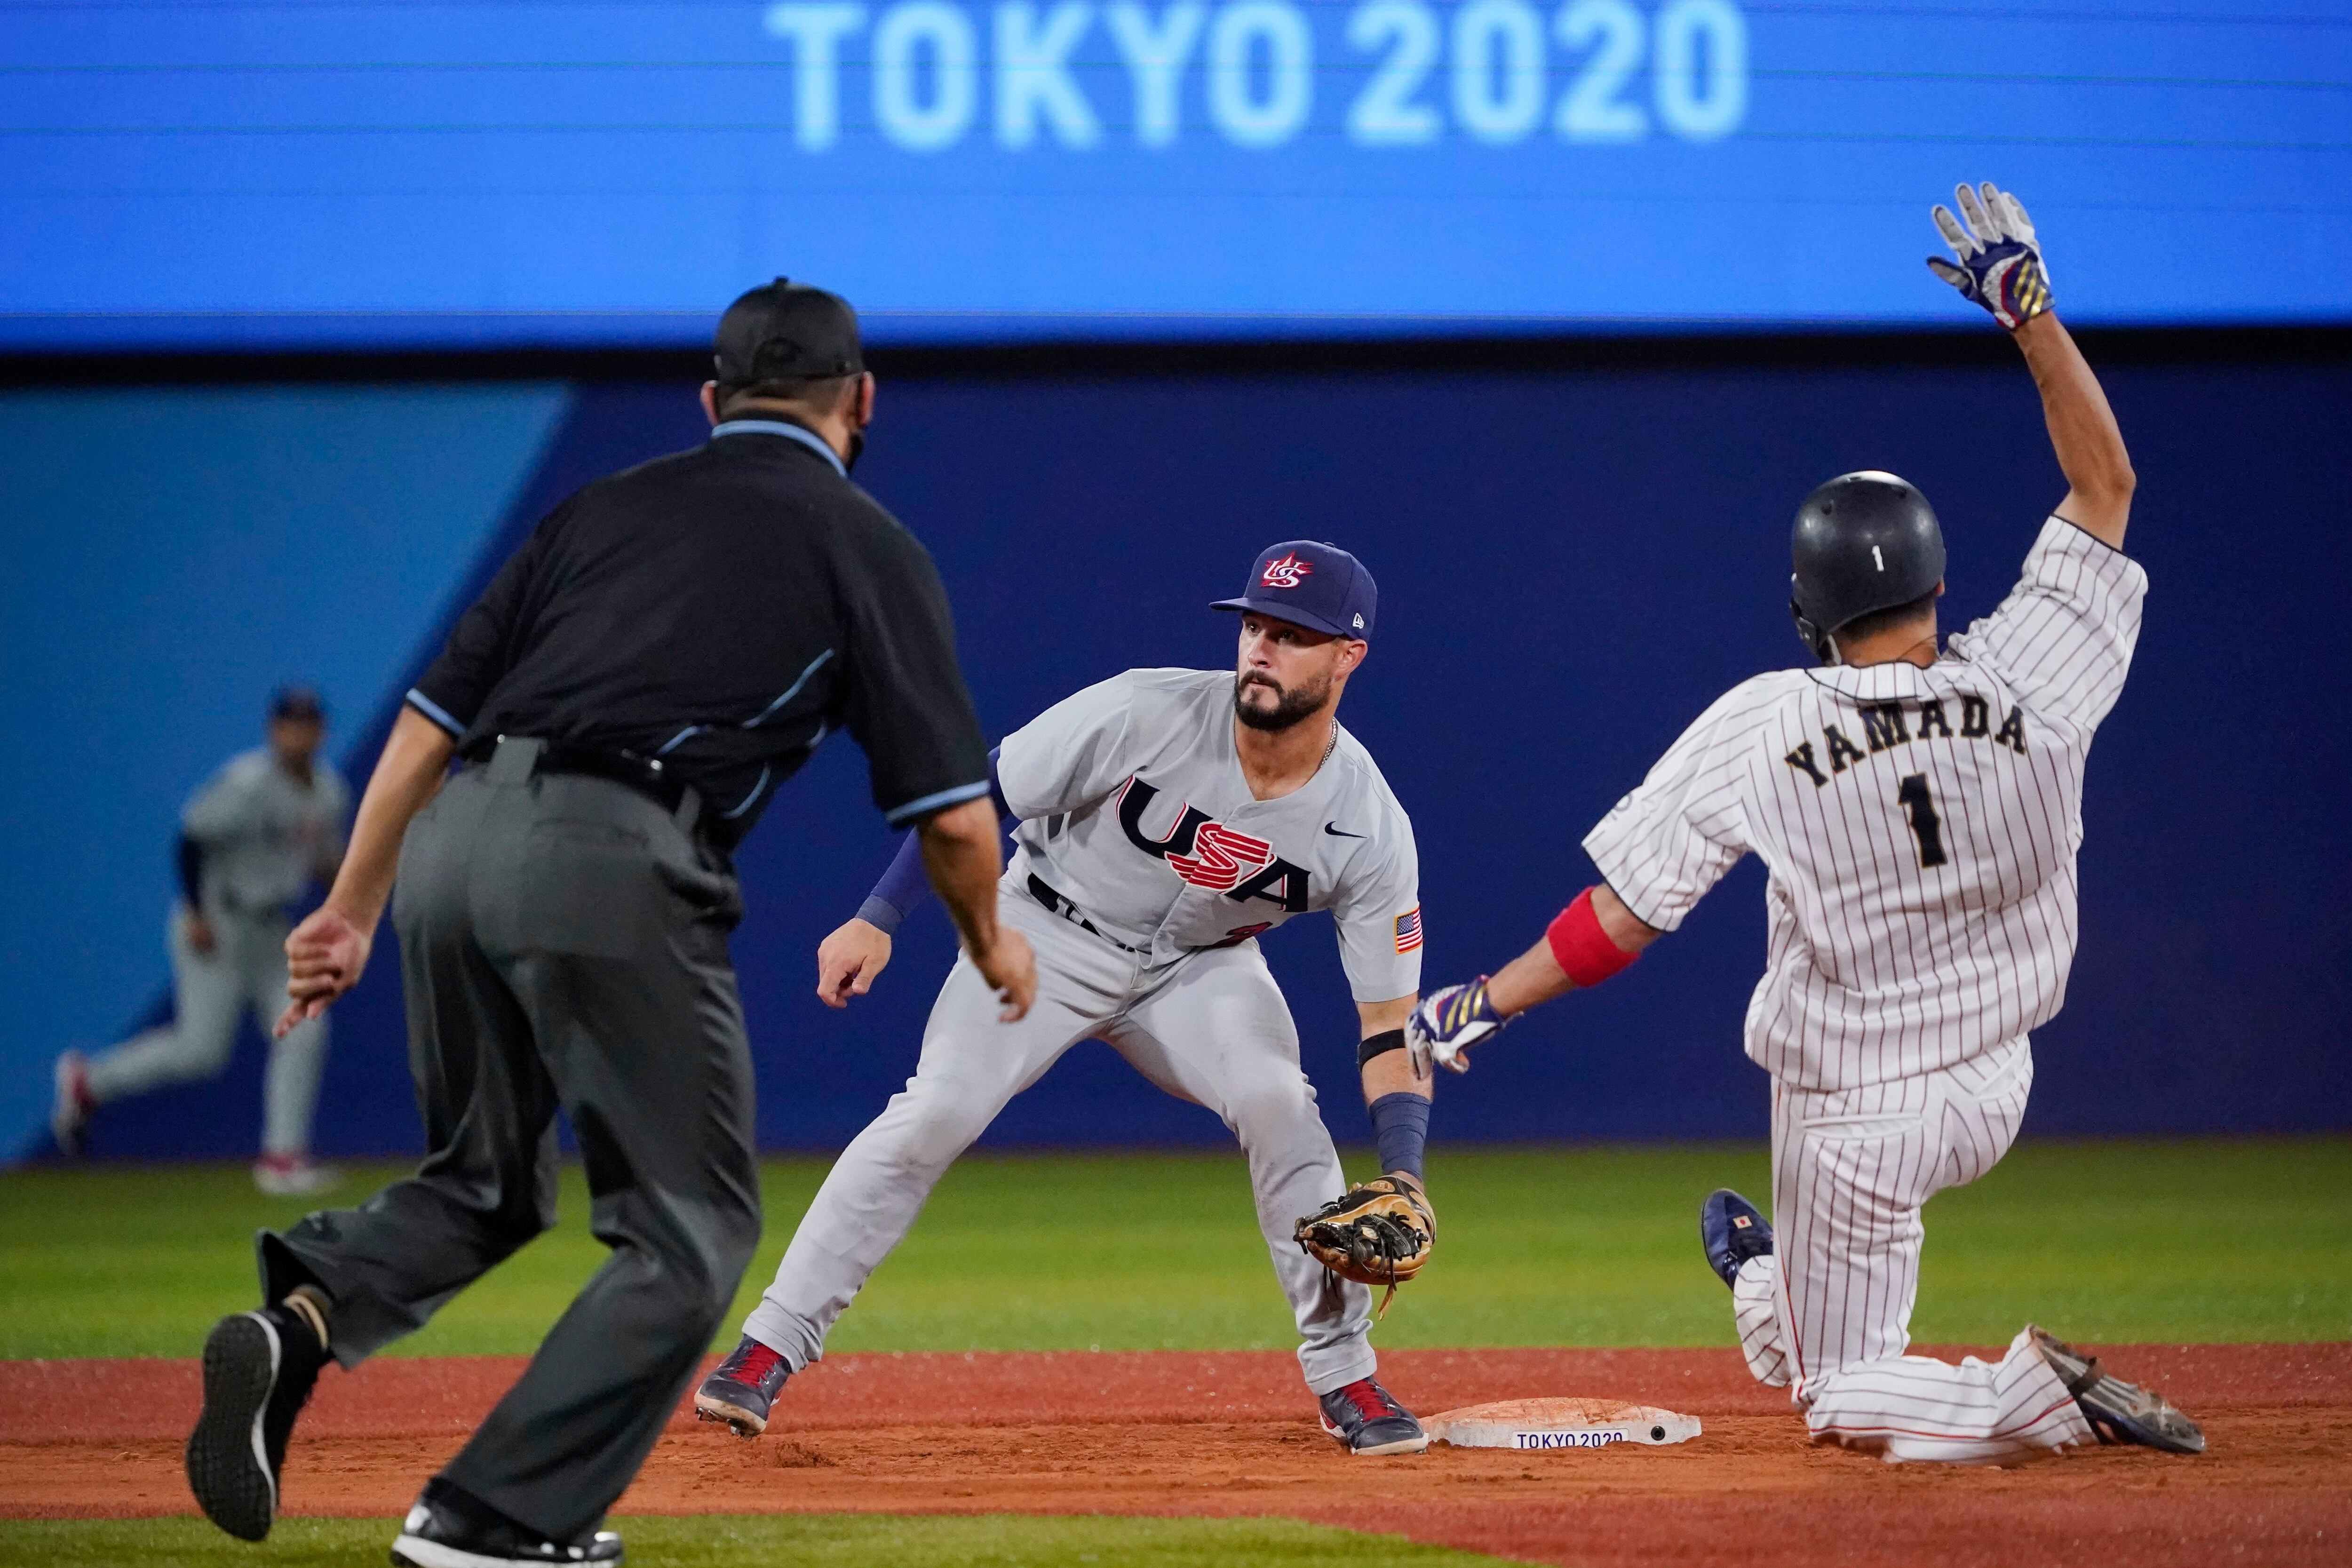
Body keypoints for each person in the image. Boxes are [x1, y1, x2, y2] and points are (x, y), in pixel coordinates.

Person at [179, 279, 1037, 1566]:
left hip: (454, 840)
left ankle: (300, 1322)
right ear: (863, 400)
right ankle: (490, 1518)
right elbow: (960, 822)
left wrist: (351, 909)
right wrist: (990, 943)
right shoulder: (866, 544)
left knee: (482, 1182)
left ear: (711, 400)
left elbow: (424, 727)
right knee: (691, 1231)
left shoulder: (597, 510)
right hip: (616, 852)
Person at [1405, 184, 2205, 1463]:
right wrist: (2031, 316)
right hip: (1998, 1081)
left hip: (1854, 1114)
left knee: (1844, 1398)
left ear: (1806, 606)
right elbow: (2105, 479)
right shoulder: (2029, 677)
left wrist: (1488, 1000)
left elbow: (1626, 916)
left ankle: (2033, 1396)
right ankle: (1762, 1275)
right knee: (1800, 1342)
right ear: (1940, 581)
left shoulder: (1768, 718)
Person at [694, 540, 1439, 1457]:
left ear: (1347, 655)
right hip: (1043, 928)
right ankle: (768, 1347)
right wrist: (880, 912)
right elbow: (981, 789)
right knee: (939, 1108)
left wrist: (1404, 1171)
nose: (1260, 648)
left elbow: (1384, 1025)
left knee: (1282, 1103)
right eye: (1254, 625)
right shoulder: (1145, 707)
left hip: (1199, 968)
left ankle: (1346, 1377)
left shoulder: (1367, 823)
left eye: (1292, 634)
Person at [53, 686, 349, 1195]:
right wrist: (195, 912)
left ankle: (282, 1159)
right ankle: (88, 1082)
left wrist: (355, 902)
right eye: (289, 723)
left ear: (321, 731)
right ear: (274, 730)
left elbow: (325, 863)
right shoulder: (247, 783)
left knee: (307, 1025)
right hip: (218, 919)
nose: (298, 733)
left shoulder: (329, 791)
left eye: (308, 723)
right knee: (201, 1052)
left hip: (272, 925)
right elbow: (190, 839)